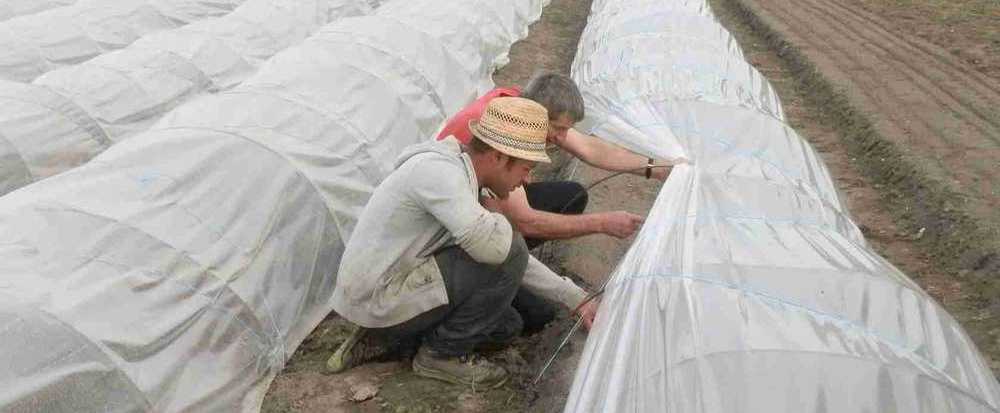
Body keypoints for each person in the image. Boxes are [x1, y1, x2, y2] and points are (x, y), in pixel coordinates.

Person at [329, 97, 598, 387]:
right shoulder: (441, 175)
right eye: (525, 167)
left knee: (508, 326)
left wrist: (575, 297)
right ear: (498, 156)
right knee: (509, 248)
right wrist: (498, 216)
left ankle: (386, 337)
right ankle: (439, 357)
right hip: (377, 294)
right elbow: (499, 251)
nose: (527, 180)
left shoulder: (462, 175)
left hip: (388, 287)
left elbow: (508, 256)